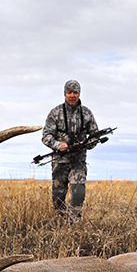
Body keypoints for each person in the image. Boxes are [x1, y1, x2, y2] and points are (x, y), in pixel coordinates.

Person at [41, 80, 98, 218]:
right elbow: (46, 136)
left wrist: (87, 144)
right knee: (58, 198)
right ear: (65, 94)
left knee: (79, 193)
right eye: (69, 92)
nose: (72, 95)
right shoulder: (55, 112)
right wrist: (57, 145)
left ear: (79, 94)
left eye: (75, 92)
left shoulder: (86, 113)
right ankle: (61, 221)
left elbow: (95, 135)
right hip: (60, 161)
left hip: (78, 161)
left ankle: (73, 222)